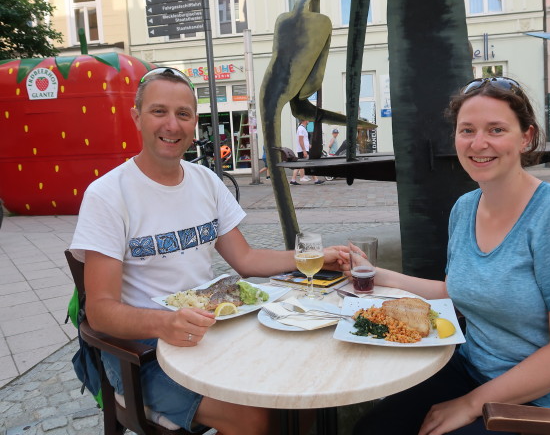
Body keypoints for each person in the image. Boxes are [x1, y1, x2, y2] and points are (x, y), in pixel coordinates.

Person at [69, 68, 349, 435]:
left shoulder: (206, 182)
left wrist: (314, 258)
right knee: (255, 418)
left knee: (303, 389)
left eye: (183, 114)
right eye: (159, 112)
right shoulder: (108, 195)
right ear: (137, 117)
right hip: (142, 355)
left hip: (210, 336)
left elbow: (246, 260)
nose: (172, 125)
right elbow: (101, 311)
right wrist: (163, 323)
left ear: (194, 123)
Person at [352, 77, 550, 435]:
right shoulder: (465, 208)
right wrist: (376, 274)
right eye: (467, 130)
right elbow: (460, 290)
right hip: (477, 372)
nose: (479, 143)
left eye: (496, 129)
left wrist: (471, 404)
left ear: (525, 137)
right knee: (374, 427)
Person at [290, 119, 324, 185]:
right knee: (310, 164)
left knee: (299, 165)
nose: (309, 121)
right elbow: (300, 140)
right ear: (304, 120)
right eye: (308, 119)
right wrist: (304, 150)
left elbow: (304, 140)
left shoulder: (302, 128)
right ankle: (316, 180)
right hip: (303, 150)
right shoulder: (301, 129)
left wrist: (308, 145)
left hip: (303, 150)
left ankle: (293, 180)